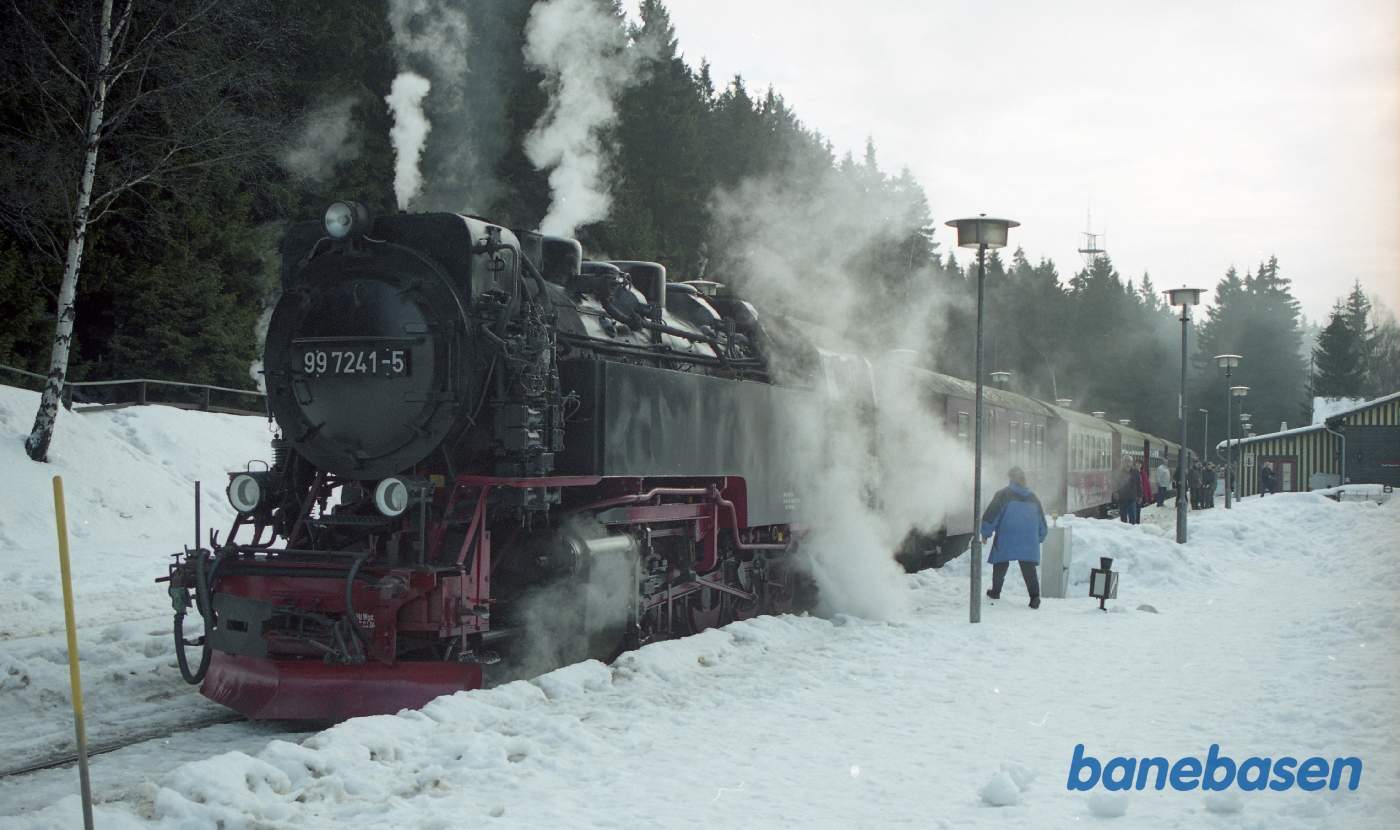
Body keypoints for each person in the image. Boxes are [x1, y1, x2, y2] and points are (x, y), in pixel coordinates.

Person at [980, 466, 1048, 609]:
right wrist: (1040, 537)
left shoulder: (1002, 495)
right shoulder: (1033, 497)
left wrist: (985, 533)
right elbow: (1042, 522)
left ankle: (995, 591)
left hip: (1007, 536)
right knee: (1028, 568)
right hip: (1028, 540)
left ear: (1010, 478)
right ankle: (1035, 598)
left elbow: (991, 516)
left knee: (1000, 563)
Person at [1115, 456, 1141, 524]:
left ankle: (1132, 533)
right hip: (1122, 499)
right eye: (1125, 461)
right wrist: (1115, 493)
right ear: (1123, 463)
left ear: (1131, 463)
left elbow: (1139, 485)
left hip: (1132, 499)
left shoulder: (1136, 472)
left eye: (1129, 462)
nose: (1127, 463)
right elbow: (1115, 485)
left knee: (1133, 519)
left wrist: (1140, 496)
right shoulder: (1119, 473)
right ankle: (1124, 534)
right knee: (1123, 520)